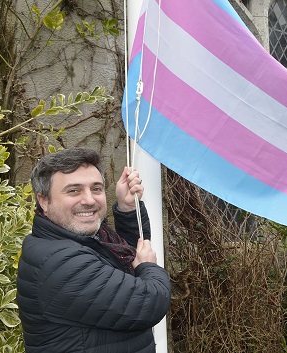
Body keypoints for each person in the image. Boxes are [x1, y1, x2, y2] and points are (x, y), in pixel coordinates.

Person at [16, 148, 171, 353]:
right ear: (44, 200)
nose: (89, 200)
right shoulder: (61, 263)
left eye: (96, 189)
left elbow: (123, 262)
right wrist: (149, 267)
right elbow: (149, 302)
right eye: (74, 190)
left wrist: (127, 209)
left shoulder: (81, 240)